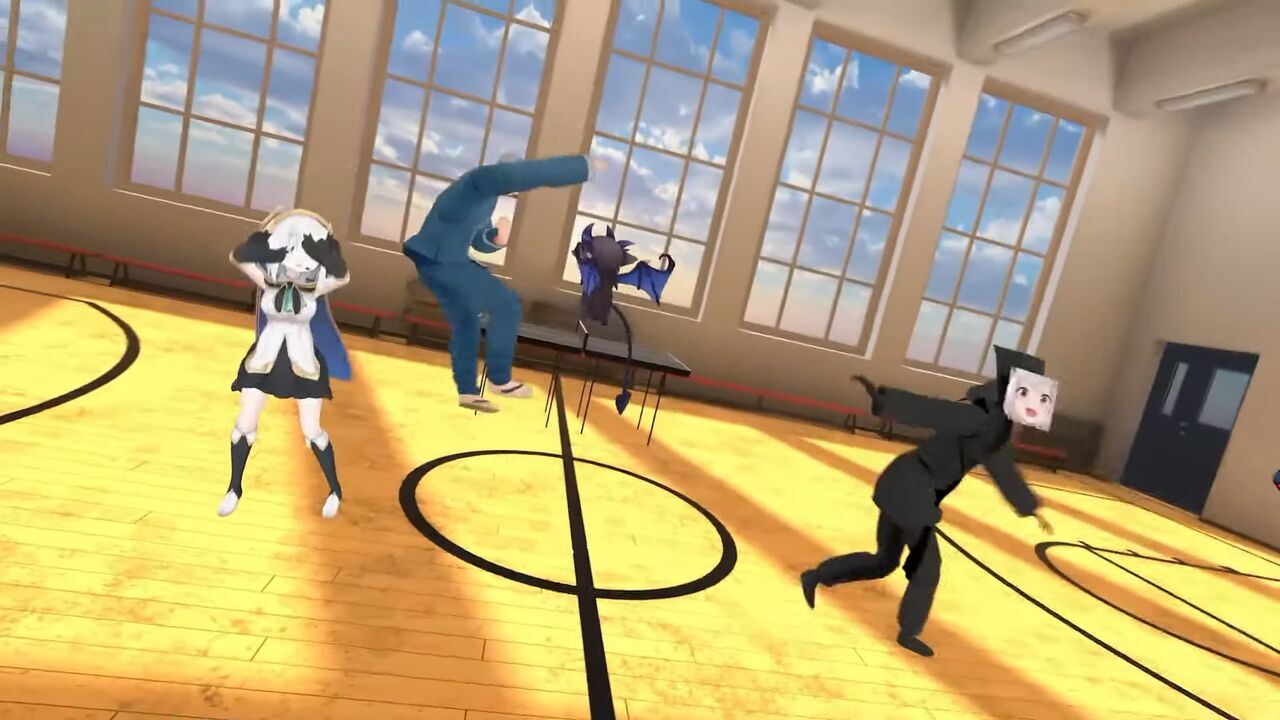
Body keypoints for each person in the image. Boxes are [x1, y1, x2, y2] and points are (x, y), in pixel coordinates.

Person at [799, 346, 1056, 657]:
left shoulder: (994, 429)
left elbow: (1003, 470)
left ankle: (818, 575)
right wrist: (884, 400)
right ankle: (908, 631)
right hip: (913, 490)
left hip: (902, 483)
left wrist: (1029, 507)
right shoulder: (980, 419)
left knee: (884, 561)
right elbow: (935, 411)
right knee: (928, 568)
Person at [404, 152, 606, 412]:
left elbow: (478, 240)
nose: (516, 188)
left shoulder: (485, 196)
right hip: (442, 259)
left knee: (466, 320)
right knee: (506, 304)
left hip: (436, 260)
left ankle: (467, 392)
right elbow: (532, 173)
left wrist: (496, 238)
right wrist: (584, 166)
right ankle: (499, 380)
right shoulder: (479, 180)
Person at [220, 209, 351, 519]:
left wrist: (326, 253)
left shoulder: (315, 286)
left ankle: (335, 490)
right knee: (244, 425)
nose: (294, 269)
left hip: (303, 361)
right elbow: (238, 257)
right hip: (265, 358)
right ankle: (234, 488)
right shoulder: (268, 280)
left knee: (312, 431)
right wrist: (267, 241)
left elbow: (343, 277)